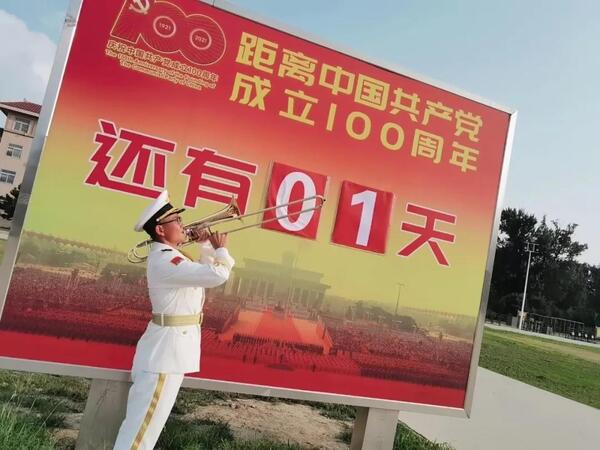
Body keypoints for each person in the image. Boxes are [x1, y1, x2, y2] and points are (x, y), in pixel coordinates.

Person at [114, 191, 234, 450]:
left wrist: (206, 246)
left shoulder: (171, 256)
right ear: (160, 230)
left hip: (169, 354)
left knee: (144, 432)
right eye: (176, 221)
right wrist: (221, 250)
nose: (183, 225)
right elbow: (217, 275)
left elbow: (201, 277)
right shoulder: (166, 259)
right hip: (163, 357)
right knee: (140, 436)